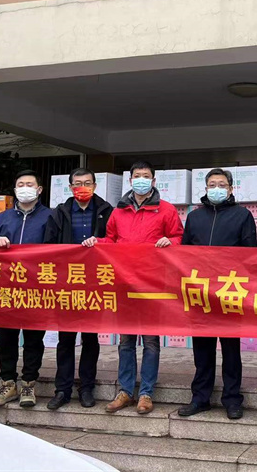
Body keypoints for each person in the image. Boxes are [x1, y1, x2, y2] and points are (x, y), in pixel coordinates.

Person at [83, 161, 184, 415]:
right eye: (137, 176)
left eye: (145, 176)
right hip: (124, 283)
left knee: (151, 341)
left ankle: (146, 393)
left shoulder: (166, 210)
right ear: (130, 181)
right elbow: (111, 241)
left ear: (153, 181)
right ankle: (125, 391)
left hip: (152, 284)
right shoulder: (119, 211)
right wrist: (97, 242)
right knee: (126, 341)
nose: (141, 179)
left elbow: (179, 237)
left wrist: (170, 241)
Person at [178, 168, 257, 420]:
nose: (216, 188)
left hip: (229, 291)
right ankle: (200, 398)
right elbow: (184, 254)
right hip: (200, 292)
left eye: (222, 185)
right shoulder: (194, 217)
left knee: (231, 350)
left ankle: (232, 399)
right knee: (202, 350)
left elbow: (250, 255)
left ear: (231, 189)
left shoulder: (242, 215)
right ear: (205, 188)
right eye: (212, 184)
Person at [43, 167, 114, 410]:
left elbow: (115, 243)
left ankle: (86, 388)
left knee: (90, 338)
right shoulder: (59, 213)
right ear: (70, 187)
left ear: (95, 185)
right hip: (67, 283)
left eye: (87, 183)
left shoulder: (106, 212)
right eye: (77, 183)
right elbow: (48, 246)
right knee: (65, 339)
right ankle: (62, 389)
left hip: (95, 283)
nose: (82, 187)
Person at [0, 170, 52, 408]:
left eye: (29, 184)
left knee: (34, 339)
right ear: (15, 190)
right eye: (20, 184)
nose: (25, 188)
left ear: (39, 190)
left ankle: (28, 384)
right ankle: (8, 383)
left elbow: (58, 248)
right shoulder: (3, 217)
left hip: (37, 288)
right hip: (7, 287)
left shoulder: (51, 216)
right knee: (6, 338)